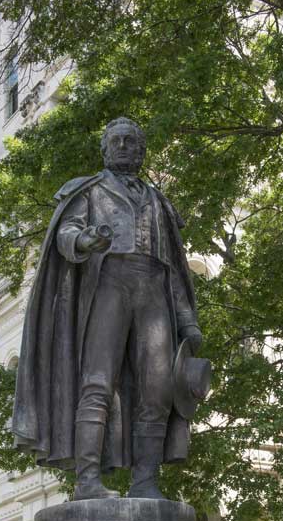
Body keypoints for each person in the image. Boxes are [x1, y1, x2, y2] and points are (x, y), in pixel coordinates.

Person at [12, 116, 208, 500]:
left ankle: (146, 482)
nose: (122, 146)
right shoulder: (89, 191)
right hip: (108, 286)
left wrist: (186, 320)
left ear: (141, 150)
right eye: (115, 140)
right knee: (97, 383)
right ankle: (87, 481)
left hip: (152, 290)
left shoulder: (158, 202)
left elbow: (173, 268)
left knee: (159, 389)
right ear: (104, 149)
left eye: (130, 141)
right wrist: (83, 240)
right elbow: (65, 232)